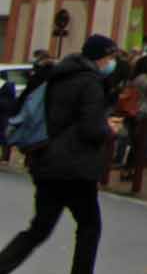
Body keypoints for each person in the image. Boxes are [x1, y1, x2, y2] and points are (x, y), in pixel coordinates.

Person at [0, 32, 120, 274]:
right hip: (75, 166)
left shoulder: (58, 75)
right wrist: (109, 129)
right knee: (89, 226)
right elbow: (90, 128)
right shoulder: (90, 83)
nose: (111, 63)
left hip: (45, 161)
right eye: (110, 58)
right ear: (101, 58)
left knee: (39, 228)